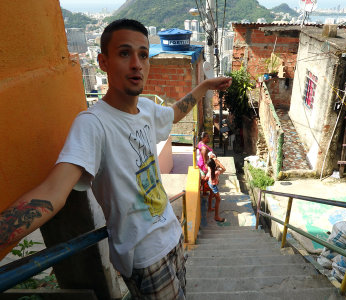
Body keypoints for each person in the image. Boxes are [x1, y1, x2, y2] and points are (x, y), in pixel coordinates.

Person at [0, 19, 231, 299]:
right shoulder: (93, 124)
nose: (137, 63)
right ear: (103, 61)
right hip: (146, 258)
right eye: (124, 53)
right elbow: (53, 191)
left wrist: (205, 85)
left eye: (143, 54)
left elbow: (174, 113)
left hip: (173, 236)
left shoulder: (146, 108)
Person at [205, 158, 226, 223]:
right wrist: (218, 162)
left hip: (210, 183)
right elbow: (224, 169)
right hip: (214, 186)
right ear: (214, 164)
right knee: (218, 200)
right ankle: (216, 216)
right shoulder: (216, 172)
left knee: (211, 195)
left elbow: (207, 168)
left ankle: (209, 208)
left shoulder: (209, 168)